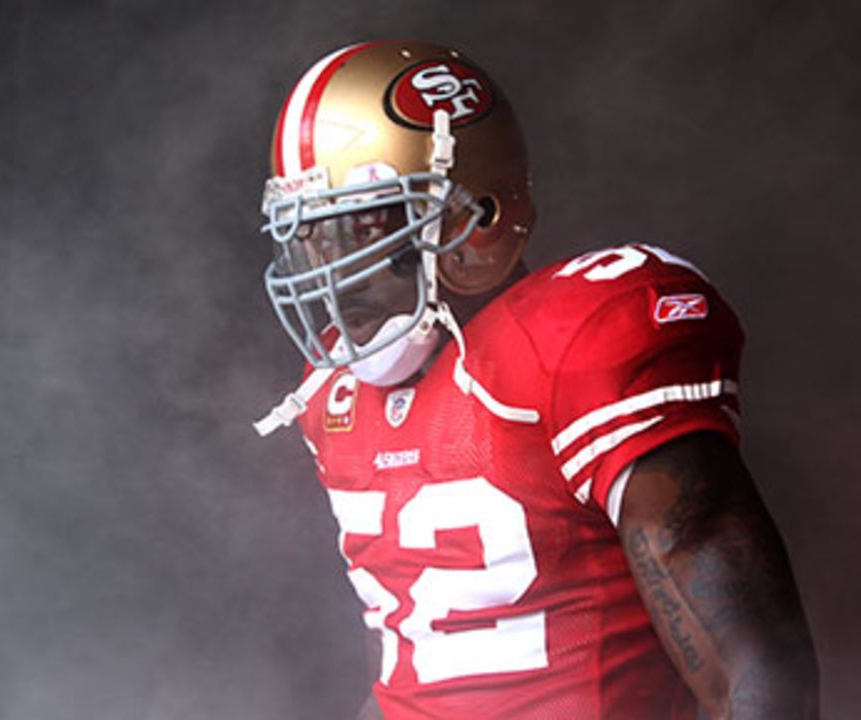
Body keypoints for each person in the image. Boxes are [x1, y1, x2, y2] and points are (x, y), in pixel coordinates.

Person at [253, 40, 819, 720]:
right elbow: (417, 666)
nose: (330, 263)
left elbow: (753, 676)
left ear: (474, 217)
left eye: (358, 223)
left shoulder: (576, 337)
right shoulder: (334, 395)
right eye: (308, 231)